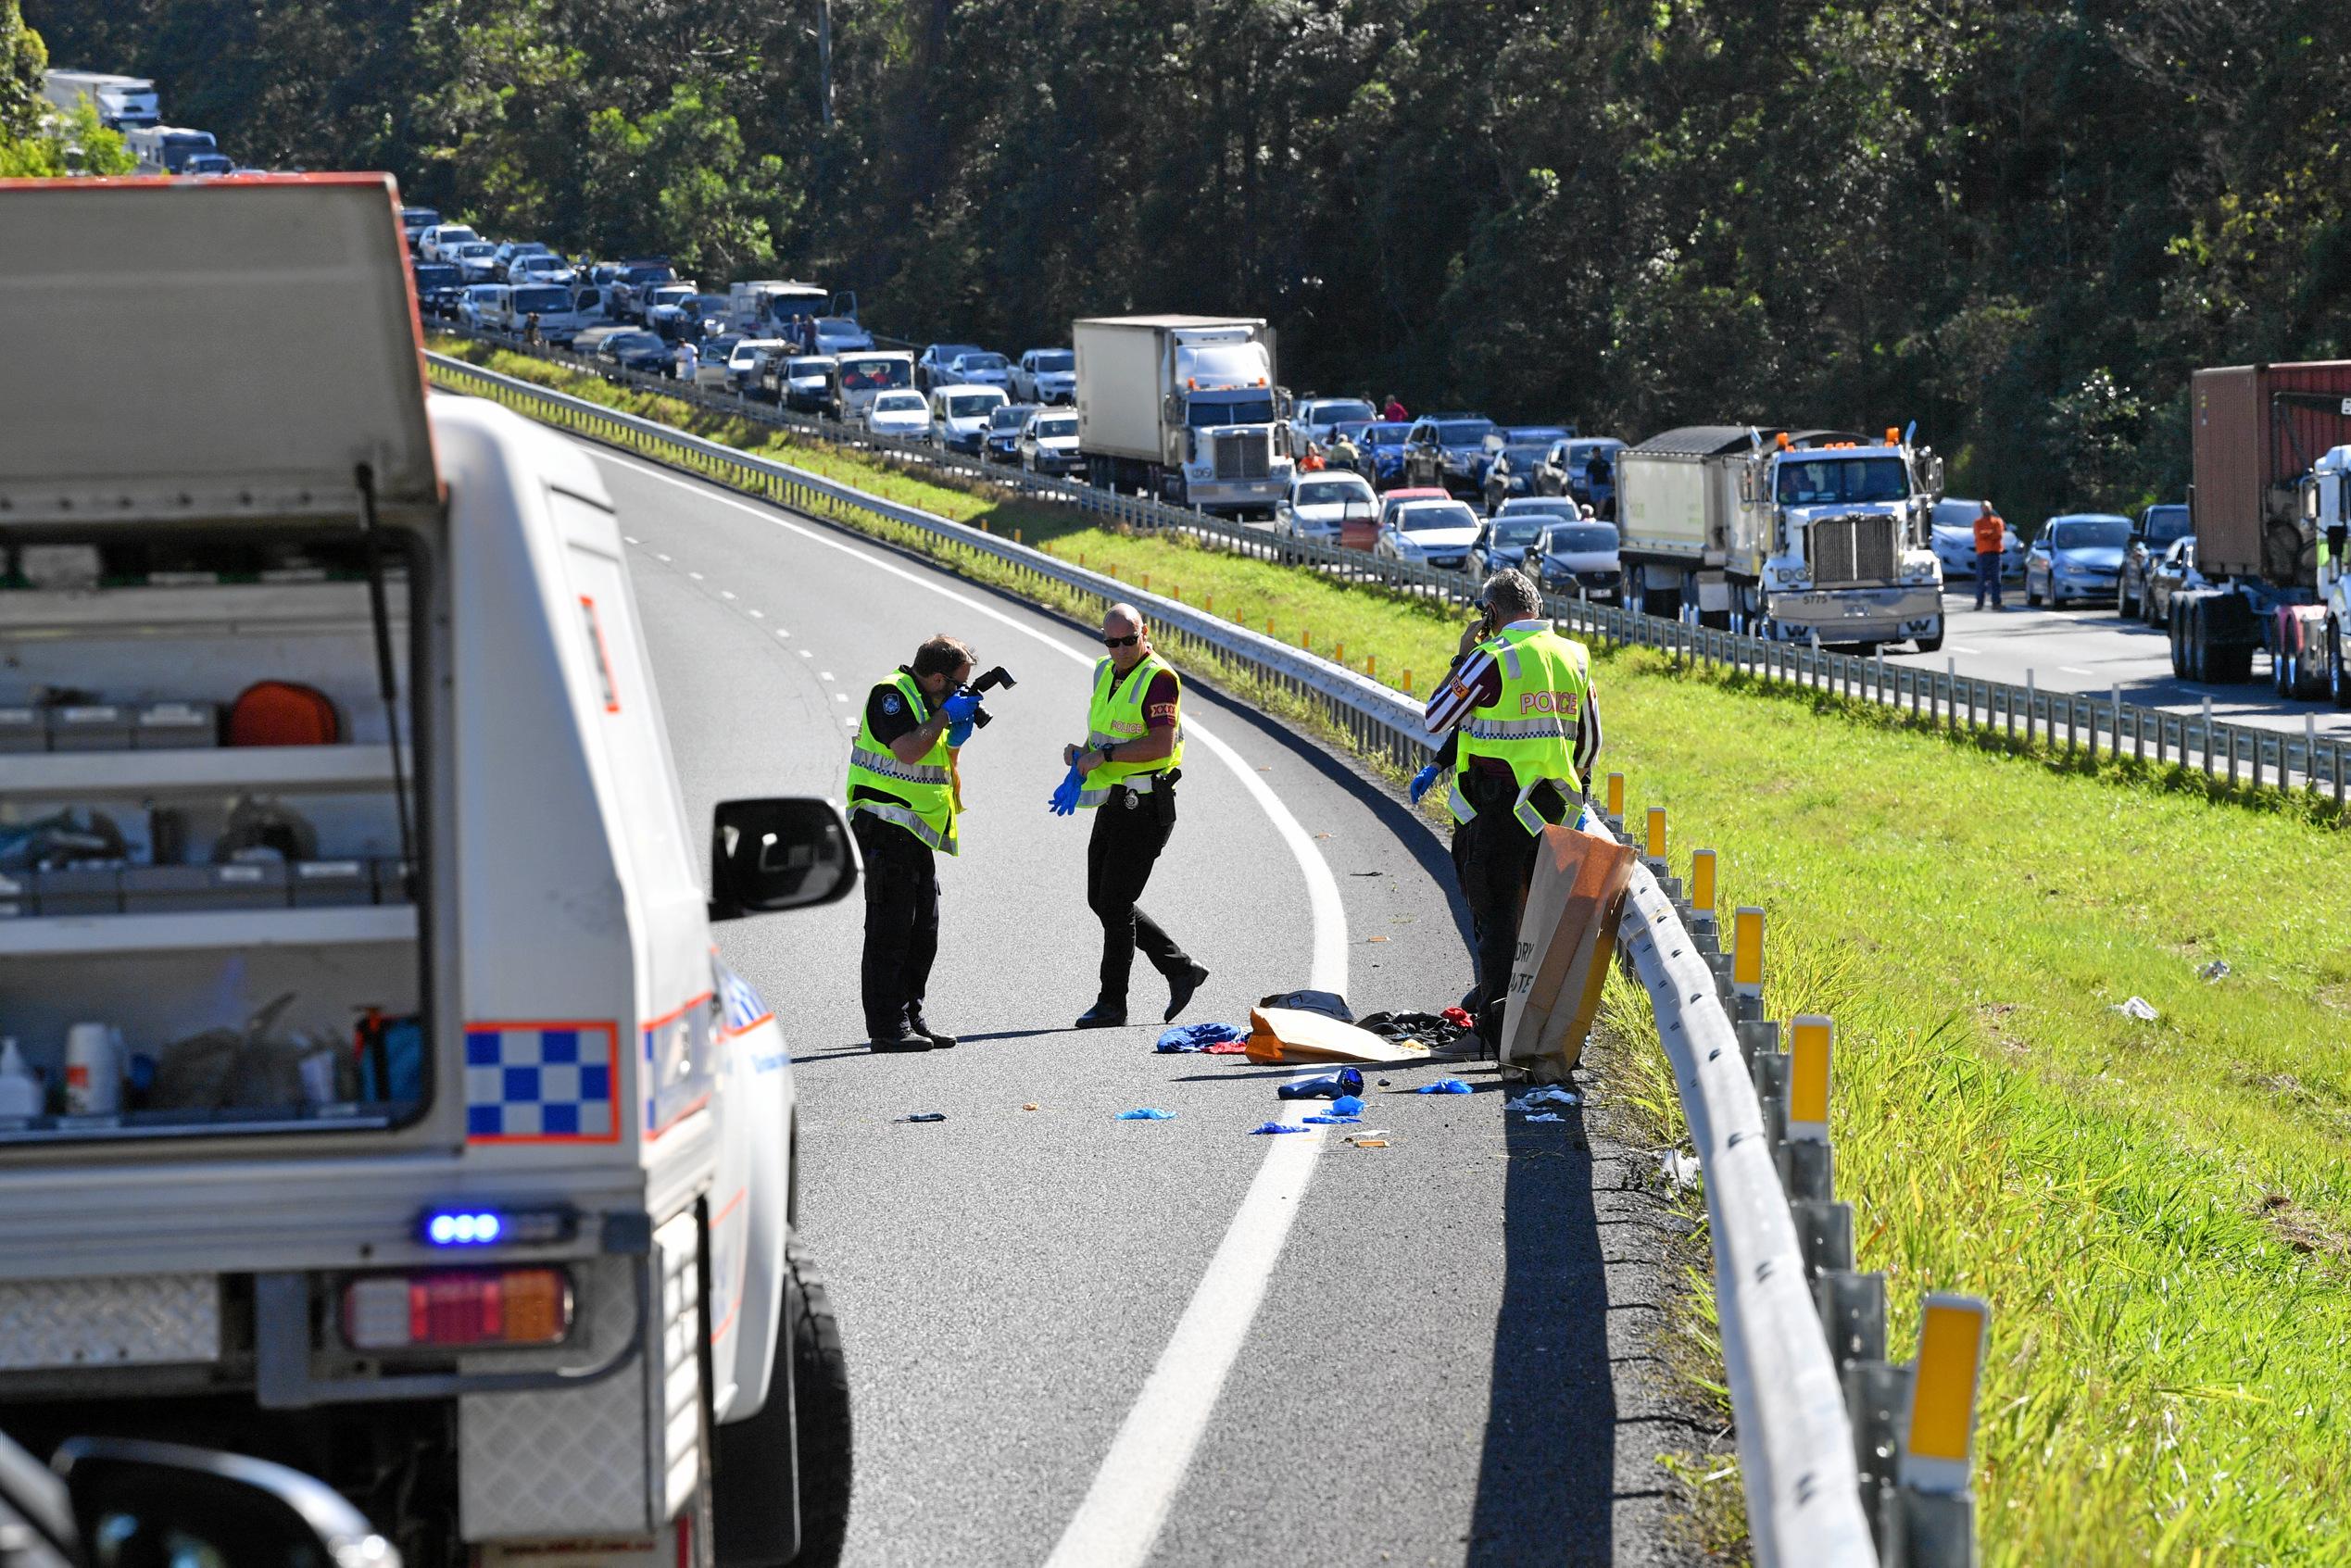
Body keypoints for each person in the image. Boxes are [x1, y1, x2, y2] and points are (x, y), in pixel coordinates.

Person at [1414, 570, 1602, 1051]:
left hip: (1495, 811)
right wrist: (1574, 792)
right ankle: (1528, 1018)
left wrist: (1463, 654)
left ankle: (1496, 1032)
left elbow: (1436, 715)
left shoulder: (1491, 657)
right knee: (1541, 919)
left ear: (1490, 614)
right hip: (1553, 810)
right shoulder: (1574, 657)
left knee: (1496, 916)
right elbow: (1590, 742)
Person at [1054, 604, 1210, 1029]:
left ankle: (1112, 1003)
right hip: (1113, 799)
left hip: (1144, 805)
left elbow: (1159, 745)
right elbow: (1105, 727)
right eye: (1111, 641)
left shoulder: (1159, 679)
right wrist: (1080, 756)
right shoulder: (1104, 671)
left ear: (1144, 633)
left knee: (1116, 902)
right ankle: (1180, 968)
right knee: (1100, 899)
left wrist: (1102, 755)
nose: (1120, 649)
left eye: (1128, 640)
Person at [846, 634, 985, 1052]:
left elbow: (934, 756)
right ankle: (887, 1027)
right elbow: (907, 750)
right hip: (883, 824)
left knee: (924, 929)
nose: (960, 692)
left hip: (913, 829)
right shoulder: (892, 694)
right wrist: (945, 717)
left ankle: (910, 1014)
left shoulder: (930, 702)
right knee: (889, 929)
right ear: (937, 677)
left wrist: (954, 732)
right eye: (957, 684)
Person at [1972, 502, 2006, 609]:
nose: (1986, 510)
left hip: (1995, 555)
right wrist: (1990, 533)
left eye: (1988, 508)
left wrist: (1987, 534)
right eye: (1984, 508)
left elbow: (1999, 534)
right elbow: (1979, 535)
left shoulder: (1997, 521)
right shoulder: (1978, 522)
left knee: (1996, 579)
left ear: (1991, 509)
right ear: (1981, 509)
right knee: (1981, 580)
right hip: (1982, 554)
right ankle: (1979, 603)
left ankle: (1996, 603)